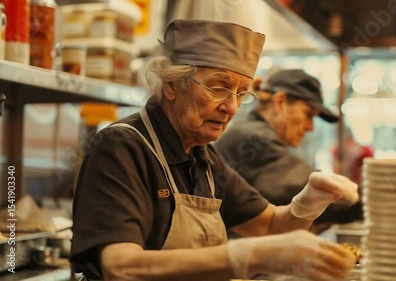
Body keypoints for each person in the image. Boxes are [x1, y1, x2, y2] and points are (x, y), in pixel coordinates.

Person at [70, 19, 359, 281]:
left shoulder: (202, 156)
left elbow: (270, 226)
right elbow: (121, 267)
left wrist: (307, 204)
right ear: (172, 85)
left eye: (241, 93)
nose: (231, 107)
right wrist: (249, 256)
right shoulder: (123, 146)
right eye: (219, 87)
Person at [215, 69, 362, 225]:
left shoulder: (251, 129)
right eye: (308, 114)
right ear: (280, 103)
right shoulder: (253, 137)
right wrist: (372, 197)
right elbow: (303, 188)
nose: (311, 127)